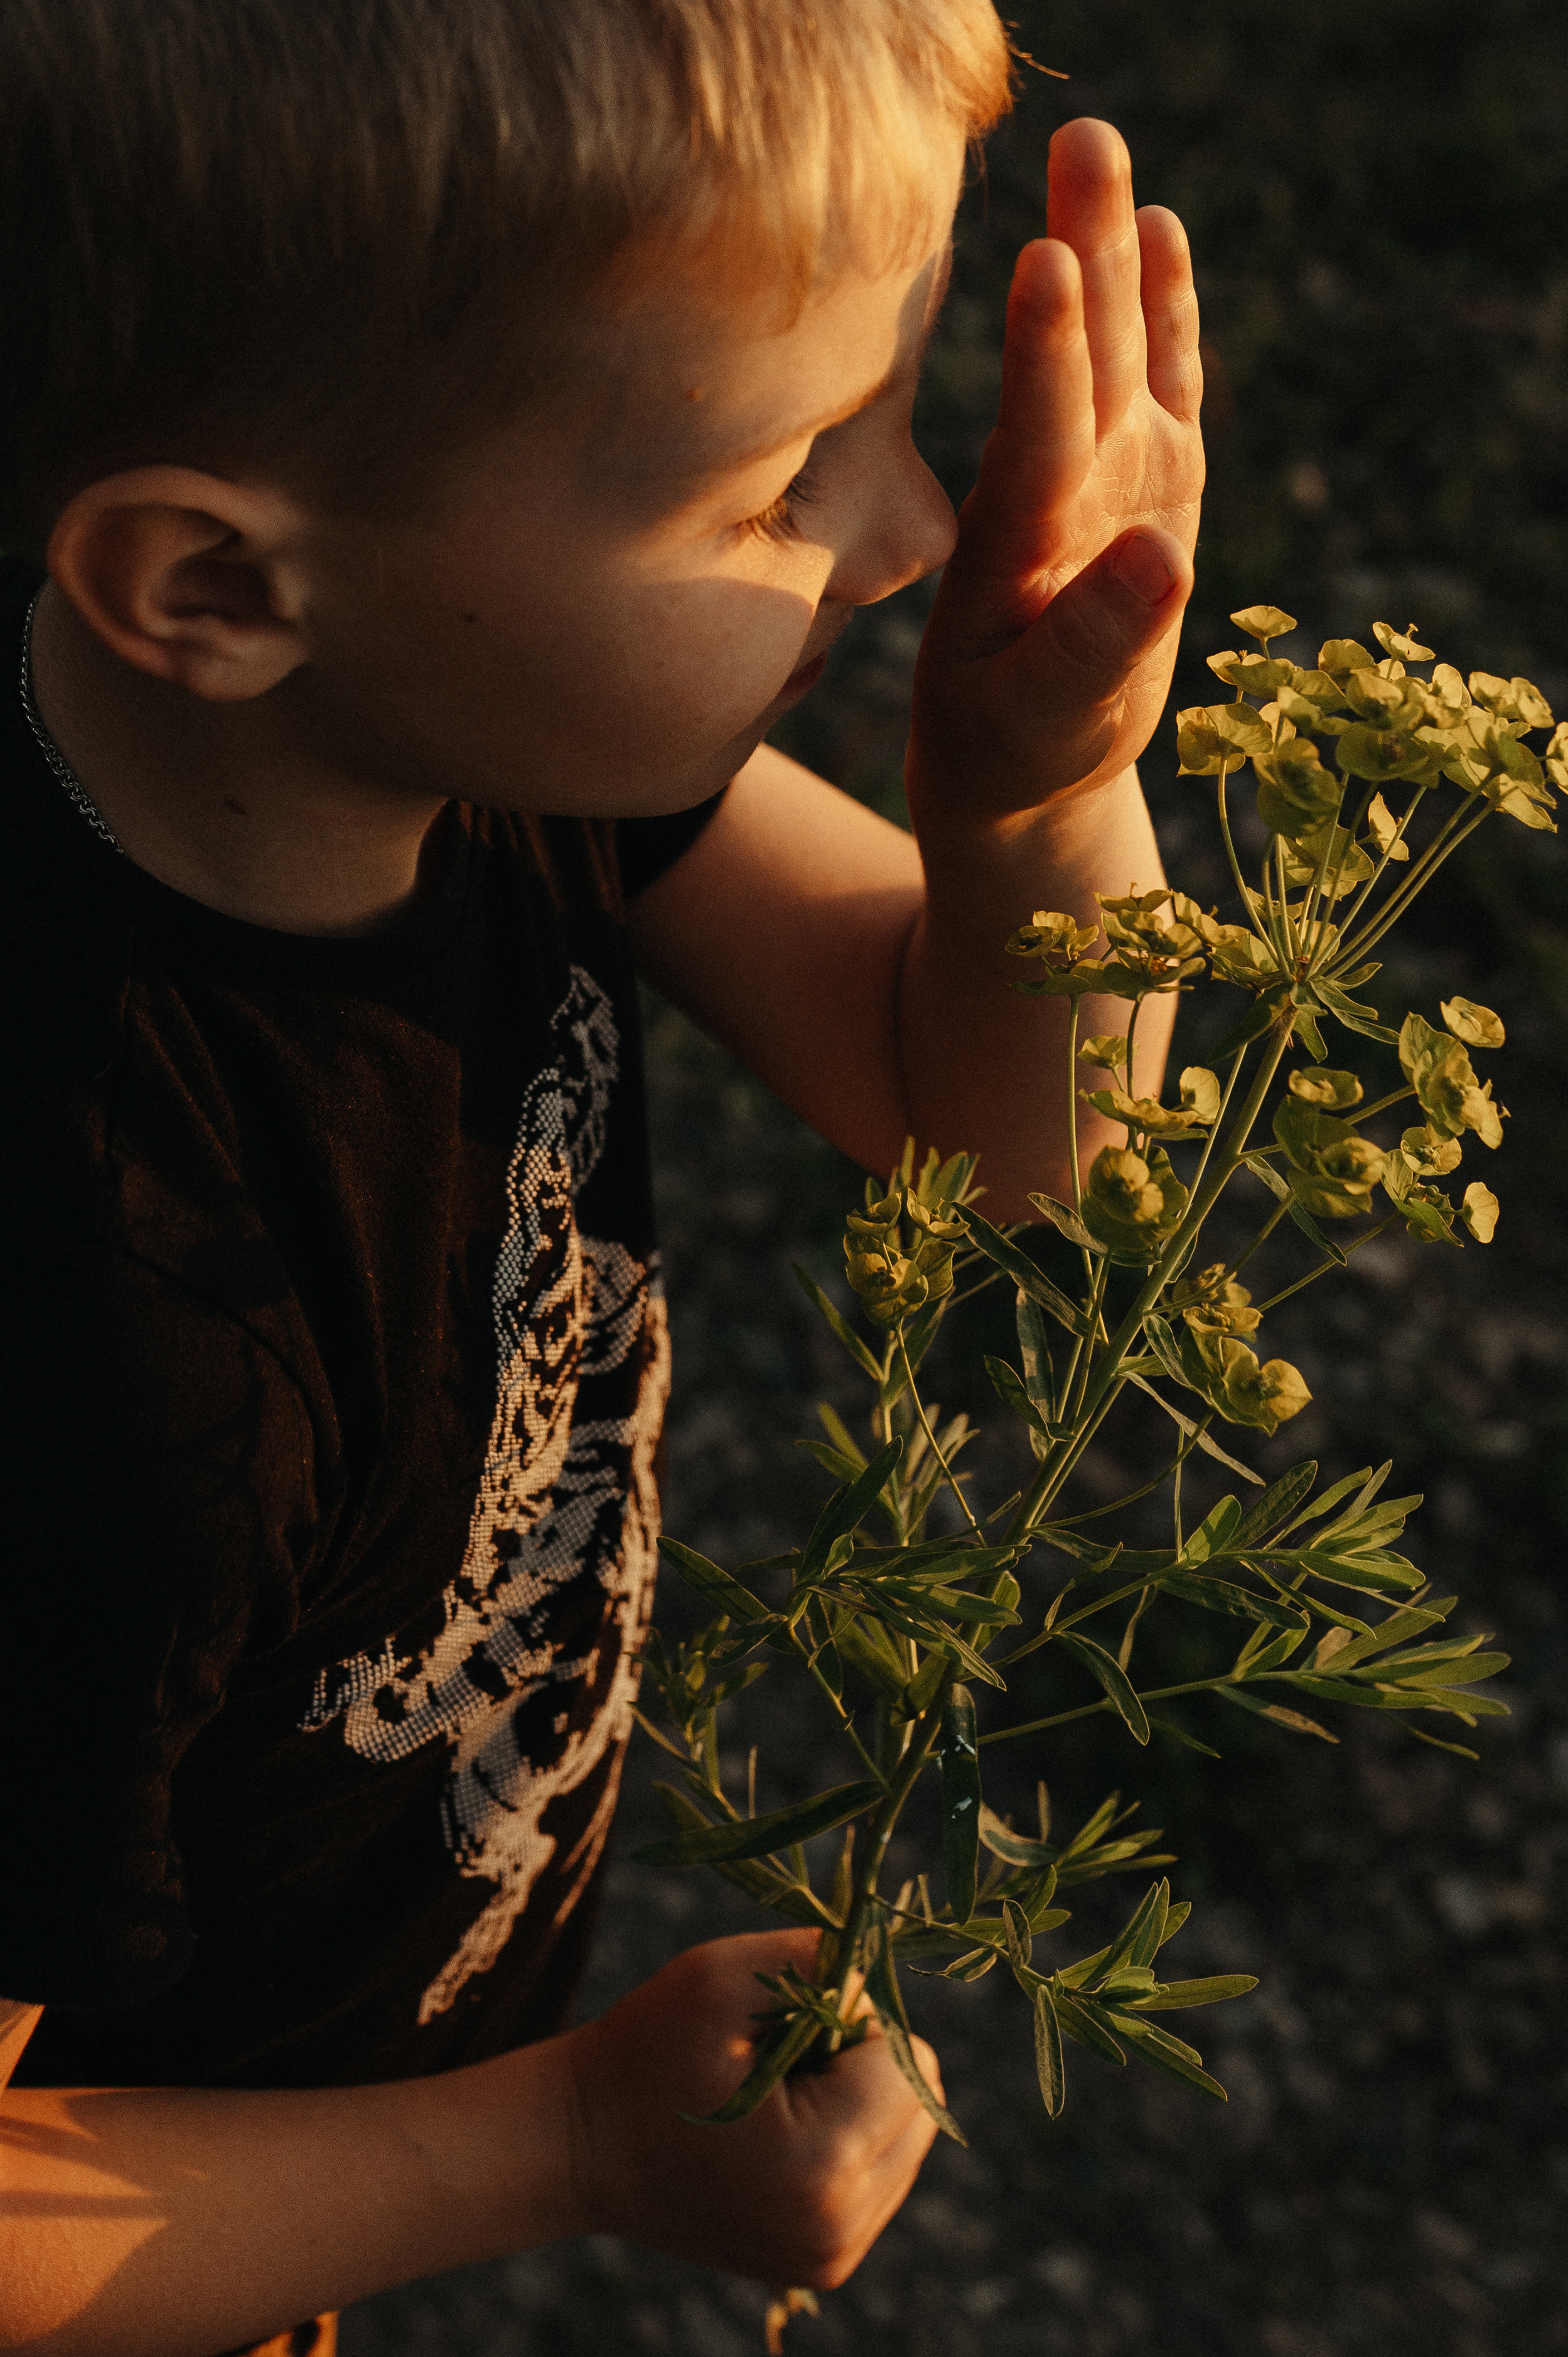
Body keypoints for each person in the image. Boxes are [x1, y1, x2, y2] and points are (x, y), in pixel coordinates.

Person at [0, 1, 1201, 2349]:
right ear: (216, 589)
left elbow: (1006, 1147)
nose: (913, 530)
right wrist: (559, 2143)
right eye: (781, 479)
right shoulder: (98, 1344)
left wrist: (1033, 807)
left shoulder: (433, 732)